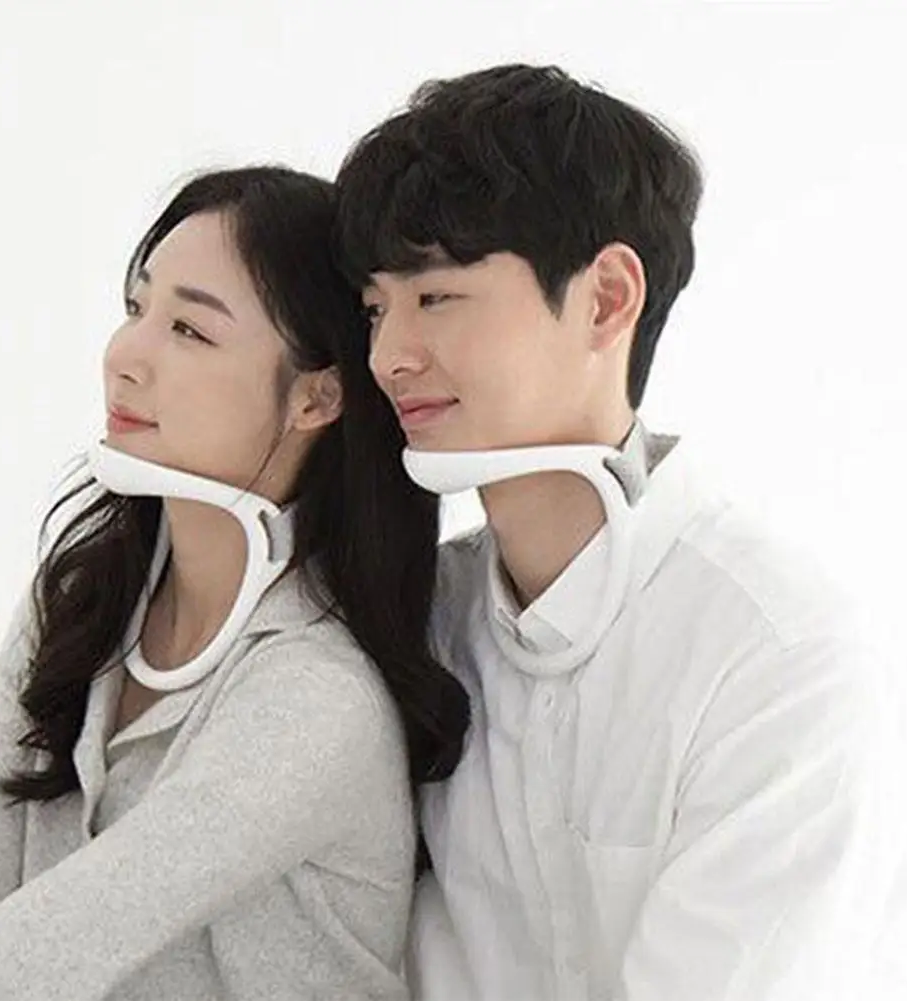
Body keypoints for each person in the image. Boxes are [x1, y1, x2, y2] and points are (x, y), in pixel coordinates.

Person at [334, 64, 896, 1000]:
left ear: (604, 299)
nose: (388, 356)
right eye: (373, 309)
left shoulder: (774, 653)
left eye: (434, 297)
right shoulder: (420, 620)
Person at [0, 166, 469, 999]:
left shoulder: (316, 694)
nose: (125, 357)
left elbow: (38, 956)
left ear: (317, 397)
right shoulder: (79, 601)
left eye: (188, 330)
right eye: (136, 309)